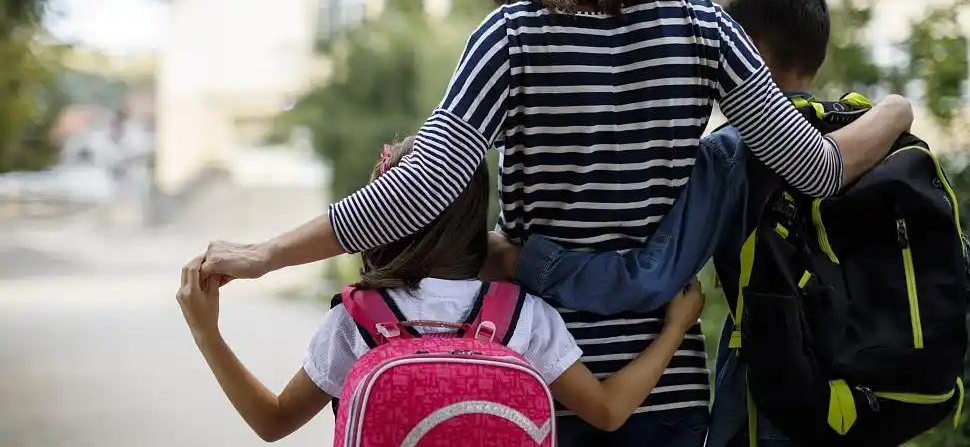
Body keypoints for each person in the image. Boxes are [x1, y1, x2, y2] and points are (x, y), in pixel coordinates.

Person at [199, 0, 912, 445]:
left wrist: (266, 254)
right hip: (669, 384)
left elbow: (419, 189)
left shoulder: (511, 35)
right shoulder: (704, 28)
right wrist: (895, 110)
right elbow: (817, 168)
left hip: (539, 376)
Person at [484, 0, 878, 447]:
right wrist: (897, 108)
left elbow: (652, 274)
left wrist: (519, 259)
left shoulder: (733, 153)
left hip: (767, 394)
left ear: (745, 47)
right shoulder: (862, 134)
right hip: (860, 392)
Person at [177, 137, 706, 442]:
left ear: (380, 217)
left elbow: (272, 423)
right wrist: (674, 330)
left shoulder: (356, 320)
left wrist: (207, 333)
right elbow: (609, 411)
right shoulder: (522, 314)